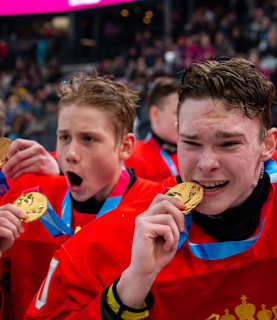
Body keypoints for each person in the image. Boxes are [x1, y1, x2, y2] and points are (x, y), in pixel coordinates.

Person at [26, 58, 277, 319]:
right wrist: (131, 286)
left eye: (228, 144)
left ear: (268, 144)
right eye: (192, 143)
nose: (206, 163)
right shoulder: (114, 236)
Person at [0, 74, 164, 320]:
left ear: (125, 147)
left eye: (88, 139)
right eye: (64, 137)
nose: (70, 154)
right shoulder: (21, 199)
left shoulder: (155, 211)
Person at [125, 77, 179, 181]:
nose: (185, 120)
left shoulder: (194, 153)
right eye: (177, 113)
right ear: (155, 114)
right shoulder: (133, 158)